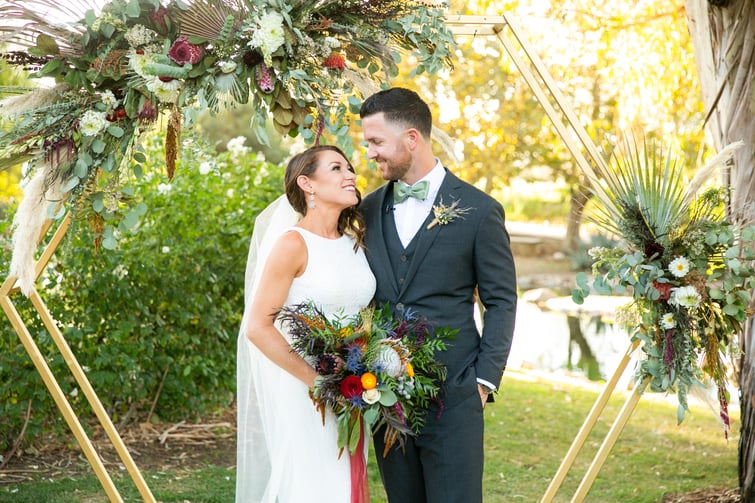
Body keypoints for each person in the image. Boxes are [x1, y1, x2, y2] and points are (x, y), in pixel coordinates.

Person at [358, 87, 518, 503]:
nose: (370, 153)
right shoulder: (365, 211)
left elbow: (501, 300)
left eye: (376, 142)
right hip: (385, 396)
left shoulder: (480, 210)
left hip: (456, 396)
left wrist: (483, 382)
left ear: (411, 138)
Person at [235, 145, 376, 503]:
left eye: (350, 168)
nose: (350, 175)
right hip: (306, 388)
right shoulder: (293, 245)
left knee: (344, 483)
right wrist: (319, 383)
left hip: (354, 383)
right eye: (336, 168)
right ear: (307, 184)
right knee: (316, 485)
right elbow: (258, 327)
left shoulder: (354, 243)